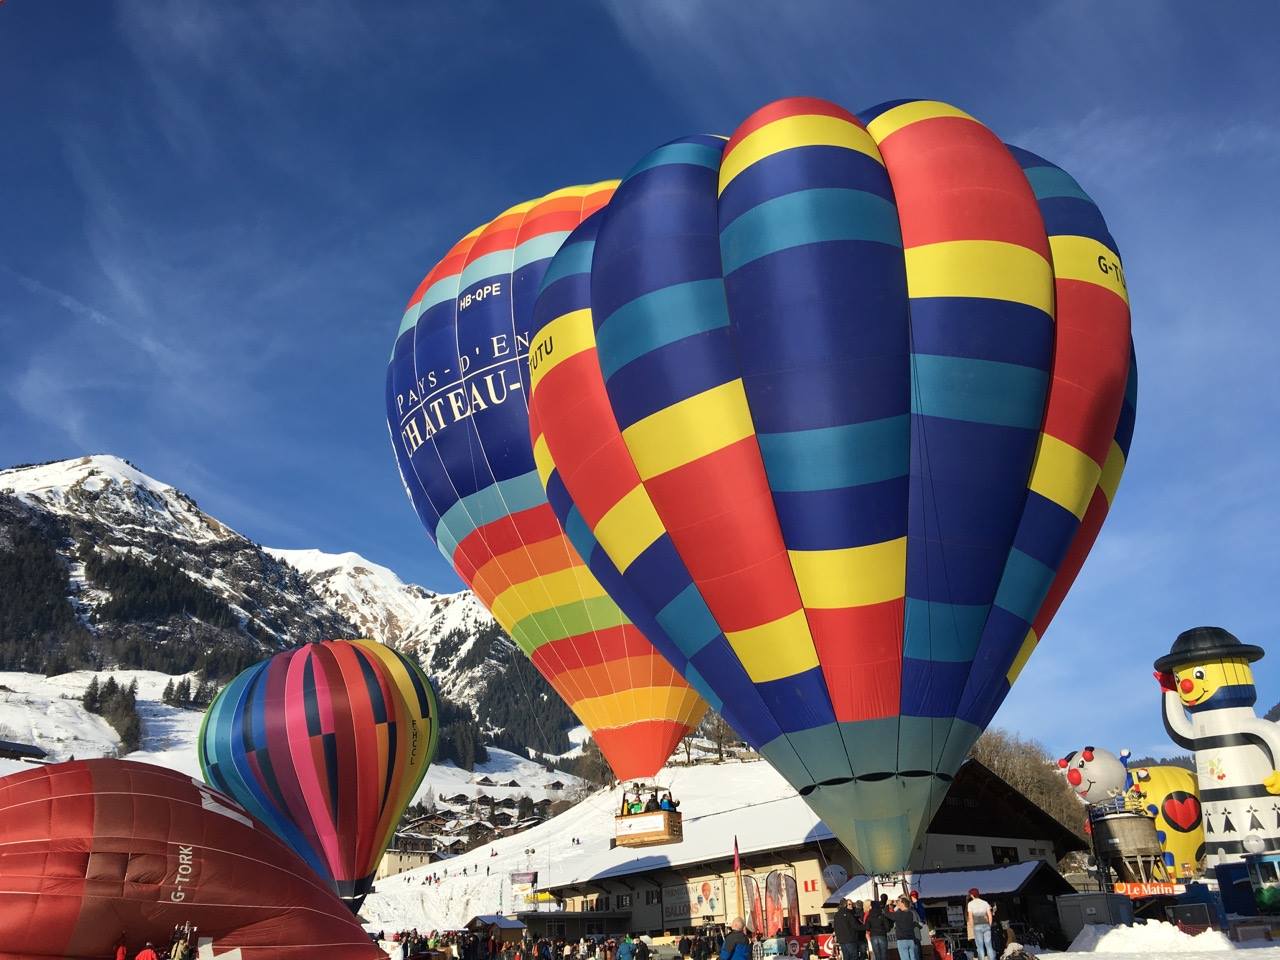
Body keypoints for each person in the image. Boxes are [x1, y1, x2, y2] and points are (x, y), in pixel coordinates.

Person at [966, 889, 996, 960]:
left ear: (972, 895)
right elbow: (990, 916)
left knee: (980, 947)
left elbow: (970, 917)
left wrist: (972, 927)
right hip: (986, 925)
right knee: (989, 946)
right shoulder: (985, 903)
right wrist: (989, 925)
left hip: (977, 926)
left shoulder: (970, 904)